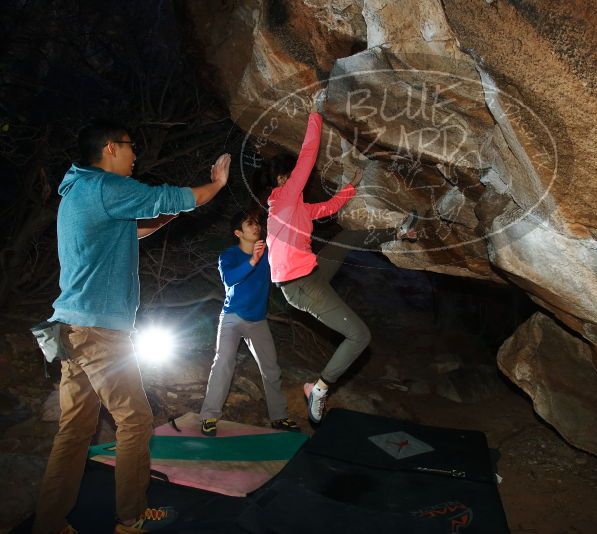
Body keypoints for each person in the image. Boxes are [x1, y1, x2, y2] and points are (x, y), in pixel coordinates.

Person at [33, 118, 230, 534]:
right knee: (136, 421)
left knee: (75, 431)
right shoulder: (105, 187)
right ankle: (131, 518)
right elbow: (165, 197)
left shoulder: (79, 192)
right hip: (100, 332)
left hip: (71, 329)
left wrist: (165, 213)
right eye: (130, 146)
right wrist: (215, 186)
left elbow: (132, 229)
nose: (135, 154)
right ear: (110, 148)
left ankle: (49, 524)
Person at [266, 92, 417, 425]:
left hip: (310, 273)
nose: (298, 181)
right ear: (282, 180)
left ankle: (399, 233)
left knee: (345, 237)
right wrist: (315, 115)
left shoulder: (297, 208)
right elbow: (307, 156)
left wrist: (350, 188)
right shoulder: (283, 196)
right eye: (291, 177)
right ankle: (319, 387)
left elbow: (328, 209)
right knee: (360, 336)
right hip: (301, 285)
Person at [198, 212, 298, 437]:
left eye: (257, 223)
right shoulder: (229, 255)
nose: (257, 227)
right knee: (223, 362)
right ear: (238, 233)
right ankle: (209, 417)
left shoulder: (269, 253)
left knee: (271, 368)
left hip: (258, 320)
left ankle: (279, 417)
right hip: (232, 317)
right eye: (249, 224)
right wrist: (253, 260)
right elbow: (229, 279)